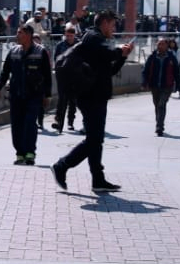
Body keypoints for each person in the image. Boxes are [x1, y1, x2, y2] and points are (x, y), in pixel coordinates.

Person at [51, 10, 131, 193]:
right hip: (90, 96)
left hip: (97, 95)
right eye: (112, 24)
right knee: (94, 140)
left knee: (96, 140)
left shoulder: (98, 40)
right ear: (103, 23)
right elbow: (109, 52)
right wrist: (119, 50)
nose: (114, 28)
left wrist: (123, 56)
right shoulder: (93, 38)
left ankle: (98, 179)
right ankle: (62, 166)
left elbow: (108, 70)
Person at [0, 24, 53, 165]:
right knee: (17, 125)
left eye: (20, 32)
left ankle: (30, 153)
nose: (17, 35)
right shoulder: (14, 51)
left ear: (28, 35)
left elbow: (47, 75)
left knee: (29, 124)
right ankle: (19, 153)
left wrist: (47, 95)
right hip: (16, 95)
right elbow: (5, 72)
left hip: (34, 95)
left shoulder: (41, 51)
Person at [142, 39, 180, 136]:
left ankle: (160, 126)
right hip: (154, 85)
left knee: (161, 104)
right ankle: (158, 123)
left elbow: (176, 72)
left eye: (162, 44)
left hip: (167, 86)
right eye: (159, 44)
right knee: (157, 105)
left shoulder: (171, 57)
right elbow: (145, 70)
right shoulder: (152, 57)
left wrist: (178, 86)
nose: (160, 46)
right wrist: (144, 82)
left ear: (166, 46)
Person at [51, 25, 80, 132]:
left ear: (74, 35)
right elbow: (56, 59)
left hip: (75, 76)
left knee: (73, 100)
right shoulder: (60, 46)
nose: (69, 38)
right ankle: (58, 121)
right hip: (62, 75)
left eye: (71, 36)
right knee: (62, 99)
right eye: (67, 35)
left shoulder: (79, 45)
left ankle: (70, 122)